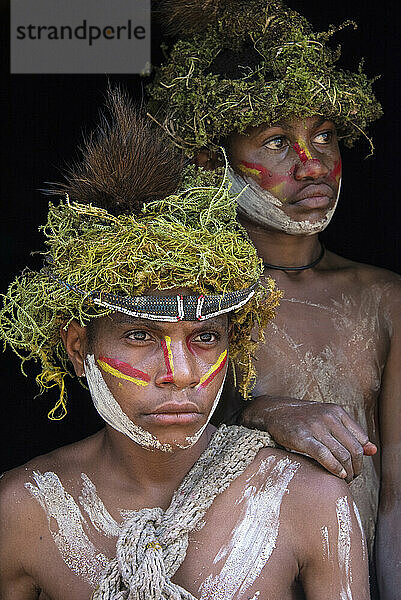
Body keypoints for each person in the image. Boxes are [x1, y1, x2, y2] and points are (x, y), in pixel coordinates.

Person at [0, 90, 370, 600]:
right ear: (77, 346)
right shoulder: (22, 511)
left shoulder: (310, 503)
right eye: (139, 335)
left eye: (204, 337)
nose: (179, 372)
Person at [148, 1, 401, 597]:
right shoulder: (188, 296)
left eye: (324, 137)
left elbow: (395, 498)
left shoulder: (384, 299)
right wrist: (263, 414)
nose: (311, 164)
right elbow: (140, 455)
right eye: (278, 142)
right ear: (212, 161)